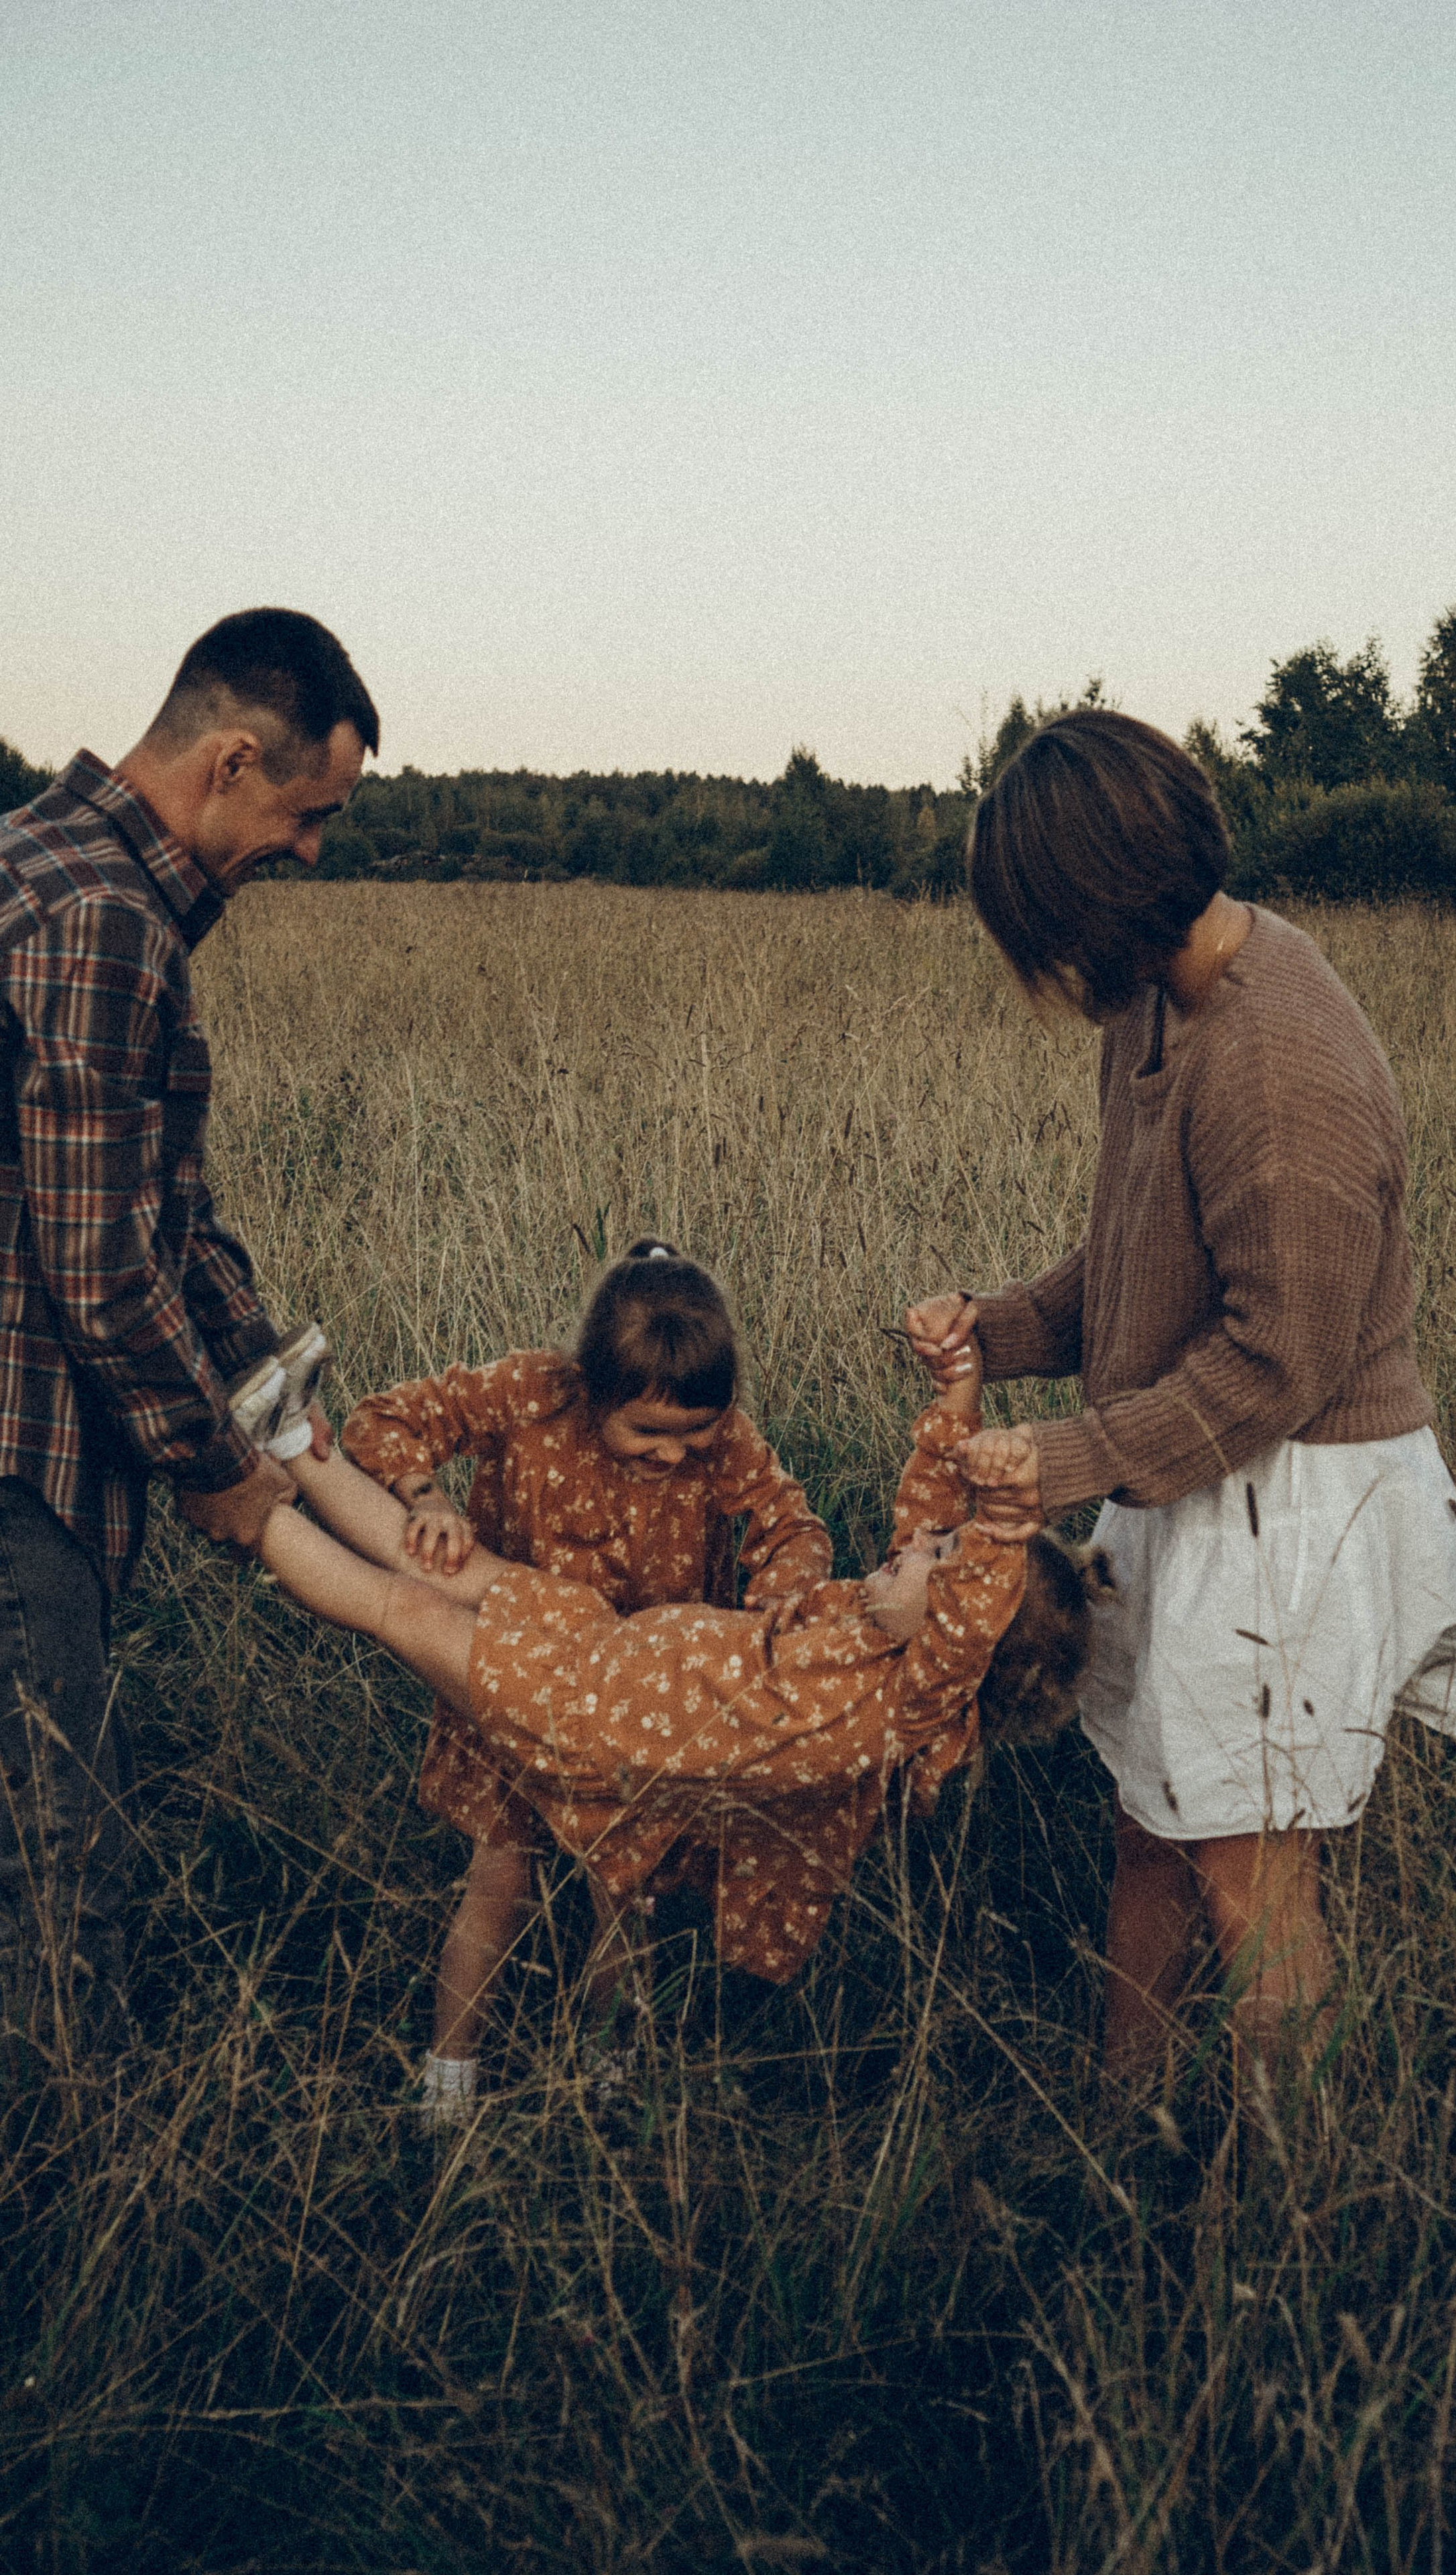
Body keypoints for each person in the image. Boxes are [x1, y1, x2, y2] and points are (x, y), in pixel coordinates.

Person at [905, 707, 1456, 2085]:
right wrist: (994, 1327)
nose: (1039, 971)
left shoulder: (1277, 1063)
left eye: (1037, 931)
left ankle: (1280, 2238)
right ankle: (1123, 2133)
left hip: (1289, 1515)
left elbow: (1274, 1363)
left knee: (1249, 1883)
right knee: (1150, 1820)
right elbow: (1137, 1258)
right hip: (1193, 1486)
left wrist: (1059, 1462)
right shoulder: (1159, 1001)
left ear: (1091, 907)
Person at [250, 1328, 1103, 2118]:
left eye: (947, 1556)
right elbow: (928, 1506)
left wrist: (1003, 1512)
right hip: (605, 1646)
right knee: (451, 1564)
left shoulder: (911, 1694)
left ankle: (247, 1504)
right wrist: (959, 1388)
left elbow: (975, 1594)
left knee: (405, 1609)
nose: (919, 1546)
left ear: (966, 1632)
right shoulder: (884, 1627)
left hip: (593, 1721)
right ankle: (287, 1437)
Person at [0, 610, 377, 2060]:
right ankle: (63, 2201)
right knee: (55, 1871)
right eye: (309, 812)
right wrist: (221, 1467)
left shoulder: (37, 862)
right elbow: (94, 1263)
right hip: (17, 1465)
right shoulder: (101, 916)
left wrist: (273, 1389)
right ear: (229, 762)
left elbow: (163, 1212)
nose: (312, 850)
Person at [339, 1238, 833, 2118]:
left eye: (696, 1433)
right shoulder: (534, 1395)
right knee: (499, 1883)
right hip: (512, 1681)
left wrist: (772, 1616)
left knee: (623, 1893)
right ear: (591, 1389)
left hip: (640, 1708)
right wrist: (426, 1495)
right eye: (646, 1432)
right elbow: (384, 1420)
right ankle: (448, 2089)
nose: (674, 1455)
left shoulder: (724, 1443)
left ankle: (612, 2079)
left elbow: (792, 1530)